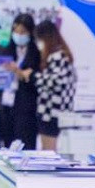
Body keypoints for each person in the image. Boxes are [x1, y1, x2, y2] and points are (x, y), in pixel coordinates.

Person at [0, 14, 40, 149]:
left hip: (25, 109)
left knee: (25, 146)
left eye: (22, 32)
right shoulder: (5, 51)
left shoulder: (37, 54)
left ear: (30, 32)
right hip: (5, 106)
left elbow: (37, 81)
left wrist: (19, 72)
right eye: (16, 31)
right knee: (6, 145)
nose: (18, 35)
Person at [32, 20, 76, 152]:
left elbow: (55, 82)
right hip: (59, 110)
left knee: (48, 151)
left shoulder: (57, 56)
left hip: (51, 111)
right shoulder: (63, 55)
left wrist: (33, 76)